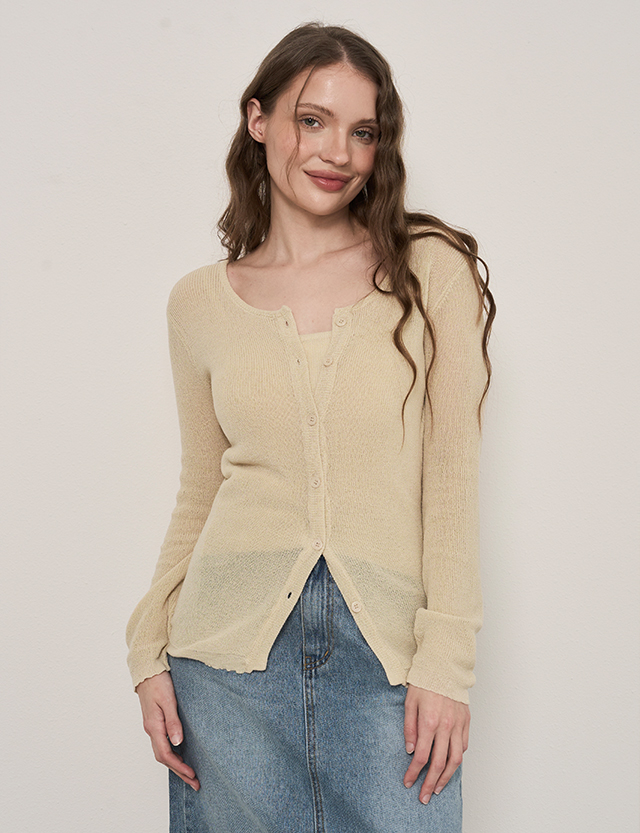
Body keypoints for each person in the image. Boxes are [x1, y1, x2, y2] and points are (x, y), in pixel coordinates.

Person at [126, 21, 495, 833]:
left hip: (390, 660)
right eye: (312, 120)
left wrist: (447, 662)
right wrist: (148, 648)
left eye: (363, 131)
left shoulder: (431, 271)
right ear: (258, 119)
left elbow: (453, 478)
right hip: (223, 665)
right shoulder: (198, 303)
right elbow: (201, 487)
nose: (338, 152)